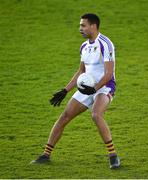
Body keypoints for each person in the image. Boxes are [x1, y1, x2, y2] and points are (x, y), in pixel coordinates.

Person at [31, 13, 120, 169]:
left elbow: (108, 73)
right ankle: (45, 155)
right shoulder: (84, 47)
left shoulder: (105, 44)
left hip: (105, 86)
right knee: (64, 116)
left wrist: (95, 88)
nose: (80, 28)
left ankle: (113, 156)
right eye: (80, 25)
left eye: (83, 25)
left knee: (96, 114)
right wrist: (65, 90)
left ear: (93, 26)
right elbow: (81, 72)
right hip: (87, 87)